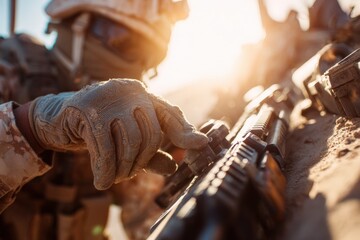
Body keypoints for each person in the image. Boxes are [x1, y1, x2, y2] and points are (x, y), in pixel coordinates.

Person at [0, 0, 206, 239]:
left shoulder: (120, 118)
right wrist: (32, 127)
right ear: (75, 26)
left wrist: (189, 183)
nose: (135, 66)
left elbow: (148, 219)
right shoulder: (9, 71)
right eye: (123, 42)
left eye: (148, 57)